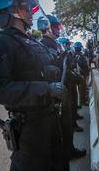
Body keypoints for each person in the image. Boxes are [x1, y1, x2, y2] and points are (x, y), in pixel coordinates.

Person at [0, 0, 67, 171]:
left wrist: (51, 71)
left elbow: (37, 70)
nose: (31, 13)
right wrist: (45, 89)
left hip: (50, 118)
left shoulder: (32, 41)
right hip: (29, 127)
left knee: (59, 164)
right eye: (26, 8)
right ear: (12, 10)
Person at [38, 16, 86, 167]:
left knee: (67, 127)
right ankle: (65, 155)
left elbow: (66, 68)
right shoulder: (42, 46)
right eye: (57, 27)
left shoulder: (56, 45)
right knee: (60, 136)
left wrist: (69, 59)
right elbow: (49, 71)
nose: (59, 29)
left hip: (65, 92)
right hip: (54, 97)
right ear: (49, 27)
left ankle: (70, 150)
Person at [73, 42, 89, 106]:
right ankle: (83, 101)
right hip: (81, 74)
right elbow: (82, 65)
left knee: (81, 88)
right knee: (82, 88)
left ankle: (82, 100)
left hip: (79, 74)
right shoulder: (79, 56)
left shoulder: (75, 55)